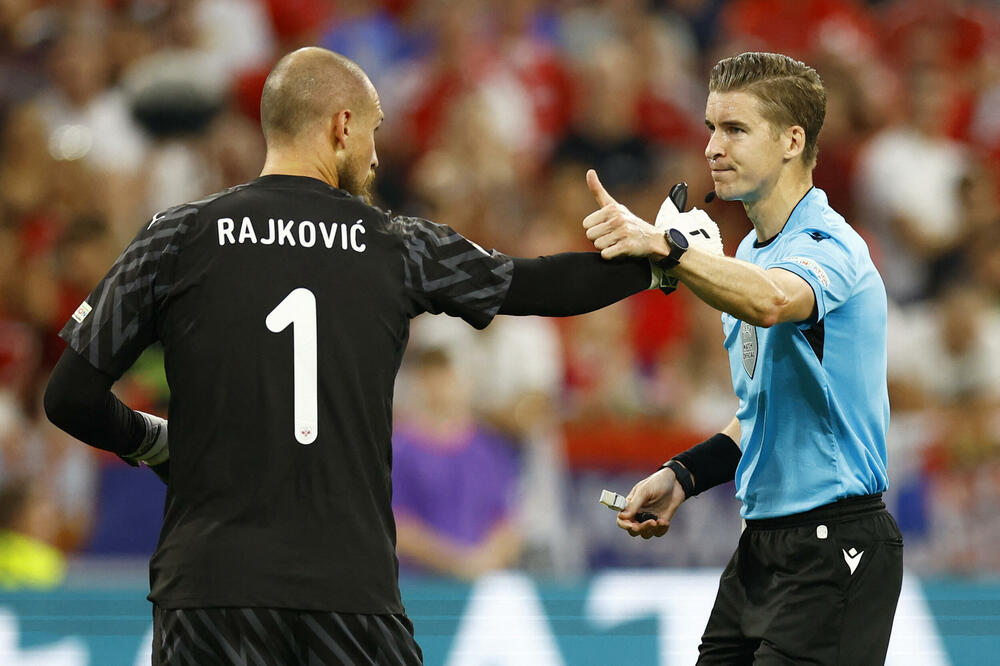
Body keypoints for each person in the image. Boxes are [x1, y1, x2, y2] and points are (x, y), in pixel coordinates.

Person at [42, 47, 695, 665]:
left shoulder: (178, 236)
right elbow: (538, 286)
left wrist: (156, 443)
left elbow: (69, 396)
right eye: (375, 132)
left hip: (210, 586)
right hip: (349, 591)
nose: (378, 155)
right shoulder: (391, 243)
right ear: (342, 126)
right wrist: (659, 260)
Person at [584, 51, 903, 665]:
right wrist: (684, 476)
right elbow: (760, 409)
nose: (712, 148)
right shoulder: (750, 254)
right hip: (762, 549)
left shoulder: (829, 243)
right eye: (710, 128)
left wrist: (670, 249)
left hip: (836, 546)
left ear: (792, 140)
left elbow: (774, 301)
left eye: (735, 129)